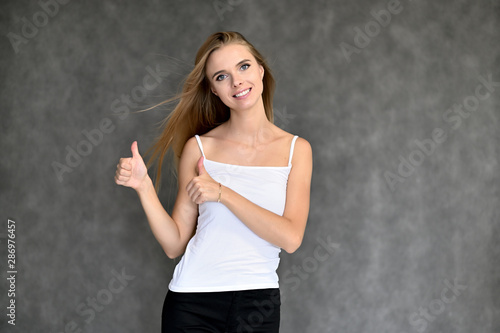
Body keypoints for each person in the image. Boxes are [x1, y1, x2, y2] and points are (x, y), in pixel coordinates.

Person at [114, 31, 313, 333]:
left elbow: (291, 238)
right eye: (222, 76)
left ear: (260, 70)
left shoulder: (296, 150)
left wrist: (223, 193)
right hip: (191, 304)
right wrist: (143, 187)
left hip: (257, 304)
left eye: (244, 67)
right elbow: (174, 244)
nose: (236, 82)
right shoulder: (200, 149)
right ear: (214, 90)